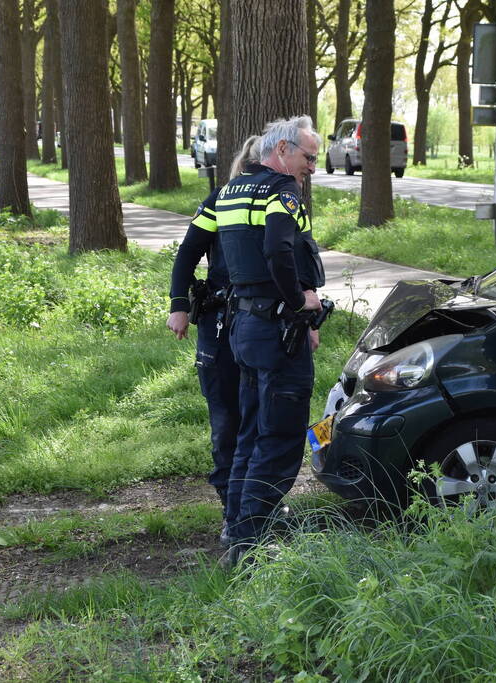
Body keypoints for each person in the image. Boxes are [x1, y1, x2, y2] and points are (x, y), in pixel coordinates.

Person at [216, 116, 325, 566]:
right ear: (282, 151)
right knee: (278, 440)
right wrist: (299, 300)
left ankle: (237, 529)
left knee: (249, 435)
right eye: (308, 157)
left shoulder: (230, 191)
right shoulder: (283, 191)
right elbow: (279, 250)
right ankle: (251, 546)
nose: (312, 168)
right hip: (278, 332)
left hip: (245, 328)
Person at [166, 136, 262, 547]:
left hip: (263, 327)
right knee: (226, 420)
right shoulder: (220, 201)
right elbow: (187, 254)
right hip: (220, 324)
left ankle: (257, 503)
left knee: (262, 418)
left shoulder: (280, 201)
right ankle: (231, 510)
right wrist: (179, 305)